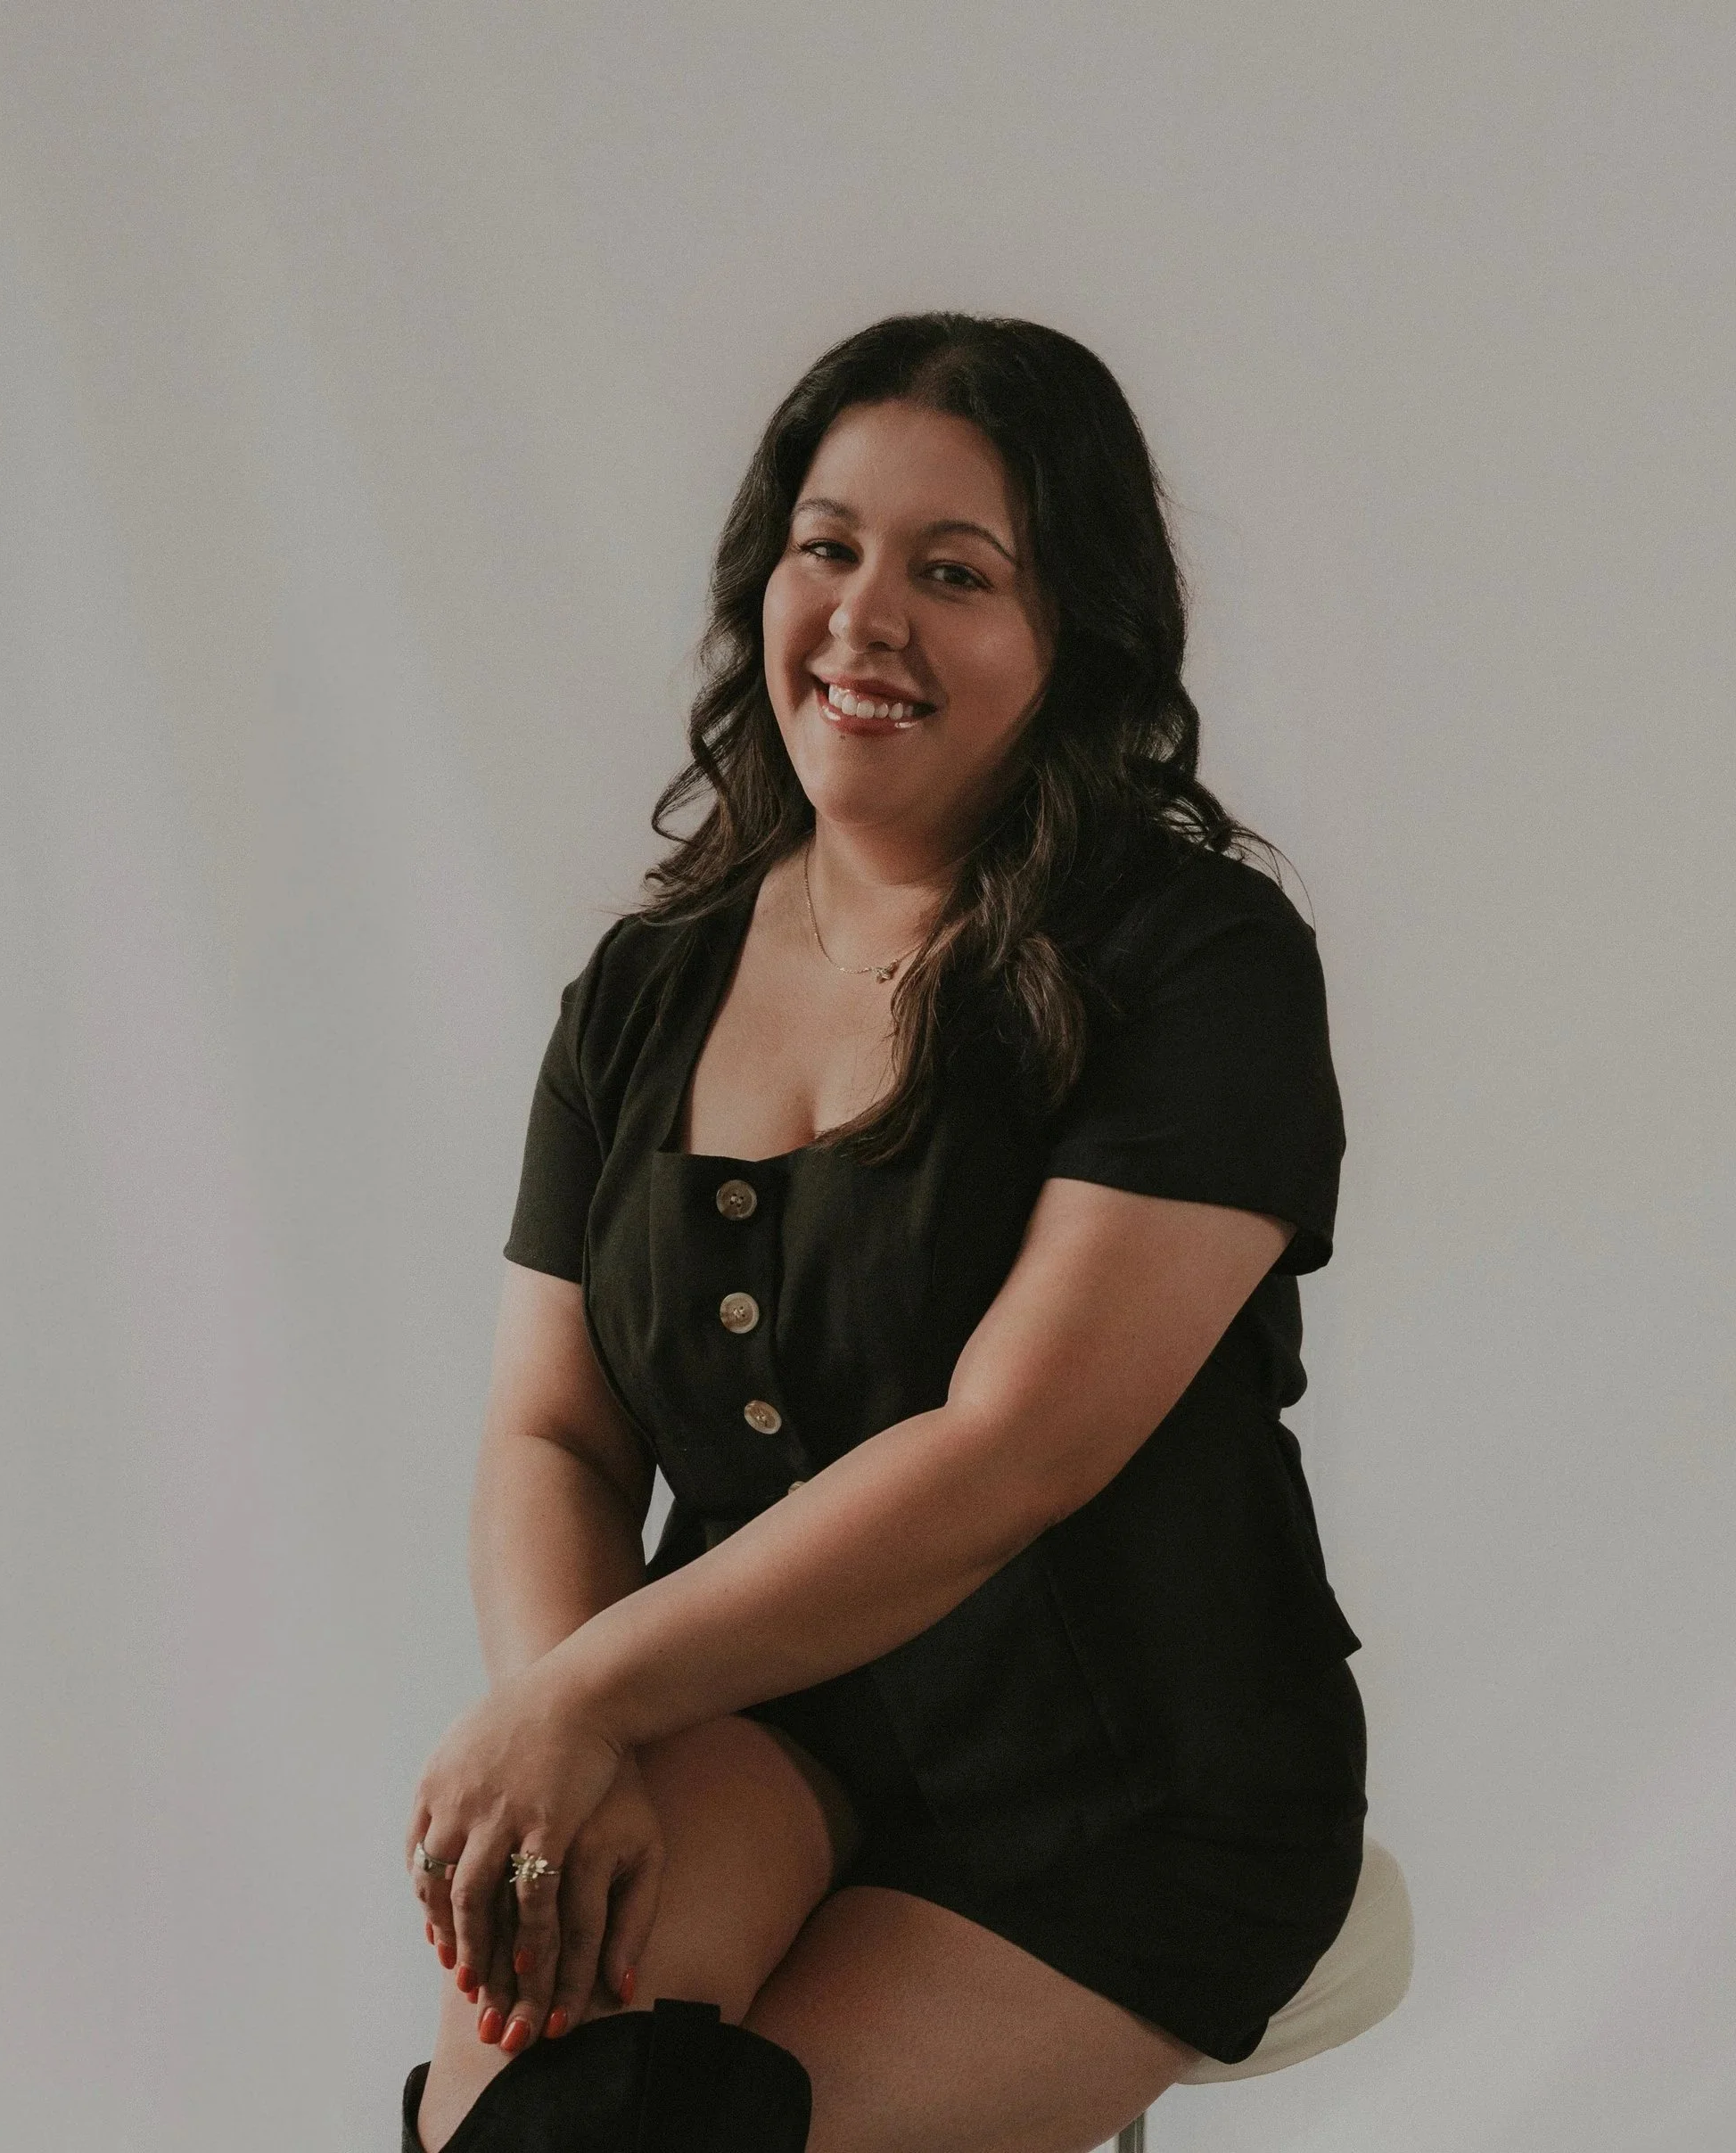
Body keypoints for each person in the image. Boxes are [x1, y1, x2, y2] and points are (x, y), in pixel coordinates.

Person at [400, 313, 1369, 2153]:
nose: (865, 617)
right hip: (764, 1719)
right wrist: (571, 1730)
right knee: (538, 2127)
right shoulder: (643, 986)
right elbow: (553, 1430)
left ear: (1069, 631)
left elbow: (1009, 1454)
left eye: (955, 572)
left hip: (1128, 1779)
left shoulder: (1201, 966)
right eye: (826, 546)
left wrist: (588, 1697)